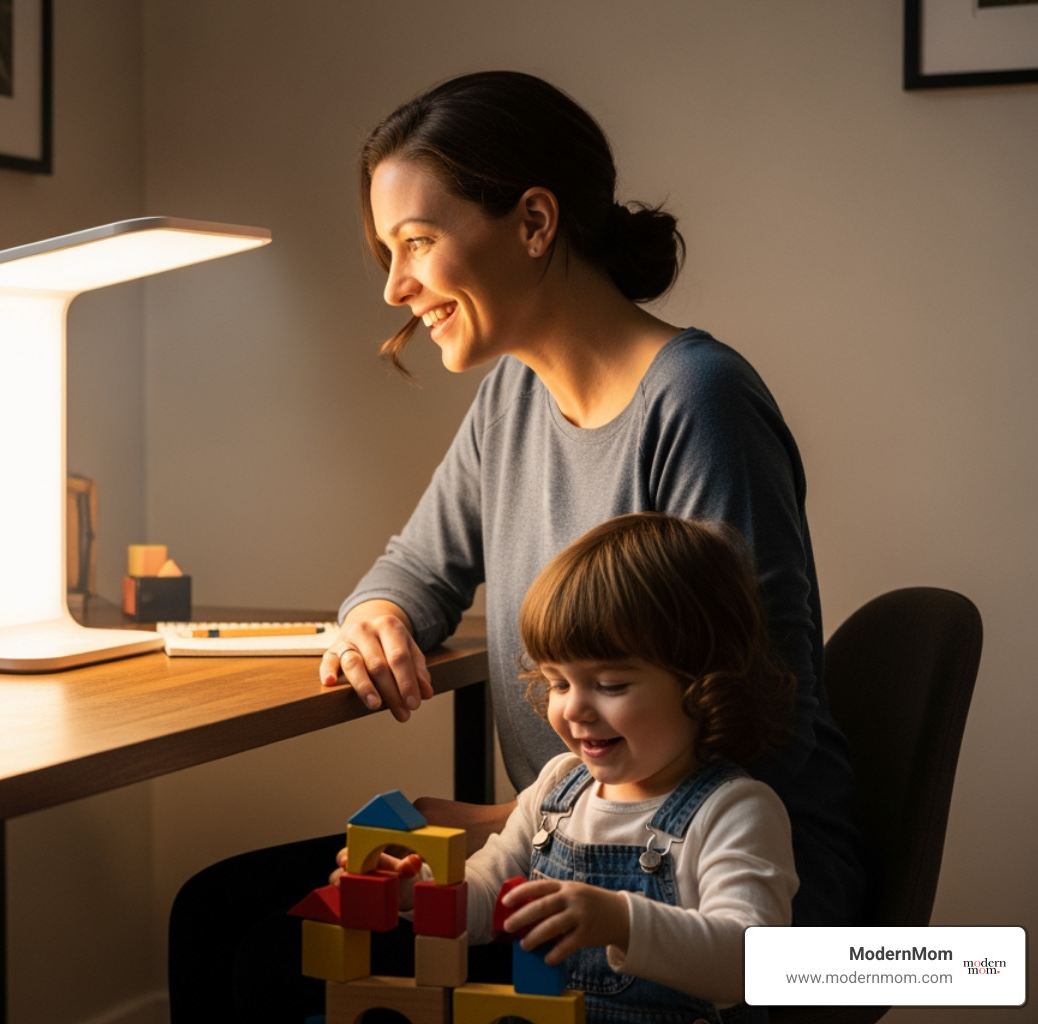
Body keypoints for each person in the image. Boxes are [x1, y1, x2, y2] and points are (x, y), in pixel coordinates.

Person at [168, 70, 862, 1021]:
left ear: (535, 223)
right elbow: (415, 567)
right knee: (214, 911)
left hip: (710, 888)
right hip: (564, 835)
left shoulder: (698, 403)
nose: (393, 286)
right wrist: (375, 617)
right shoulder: (513, 398)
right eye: (387, 250)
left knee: (272, 959)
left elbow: (754, 718)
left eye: (416, 242)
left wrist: (511, 819)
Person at [453, 511, 796, 1023]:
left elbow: (753, 965)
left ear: (702, 681)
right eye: (559, 683)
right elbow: (486, 896)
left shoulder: (736, 810)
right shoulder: (556, 789)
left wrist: (623, 922)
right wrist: (426, 892)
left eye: (610, 685)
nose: (573, 710)